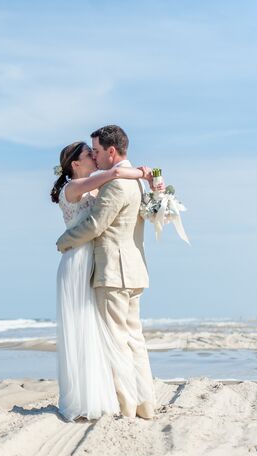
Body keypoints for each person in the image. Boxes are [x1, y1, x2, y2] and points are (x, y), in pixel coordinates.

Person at [55, 125, 156, 419]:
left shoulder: (112, 183)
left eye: (96, 151)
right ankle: (144, 405)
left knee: (114, 341)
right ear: (75, 164)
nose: (94, 157)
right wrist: (143, 175)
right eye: (90, 153)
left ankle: (126, 408)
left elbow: (96, 225)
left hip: (110, 270)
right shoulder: (124, 183)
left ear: (110, 151)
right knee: (130, 338)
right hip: (123, 269)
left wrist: (64, 242)